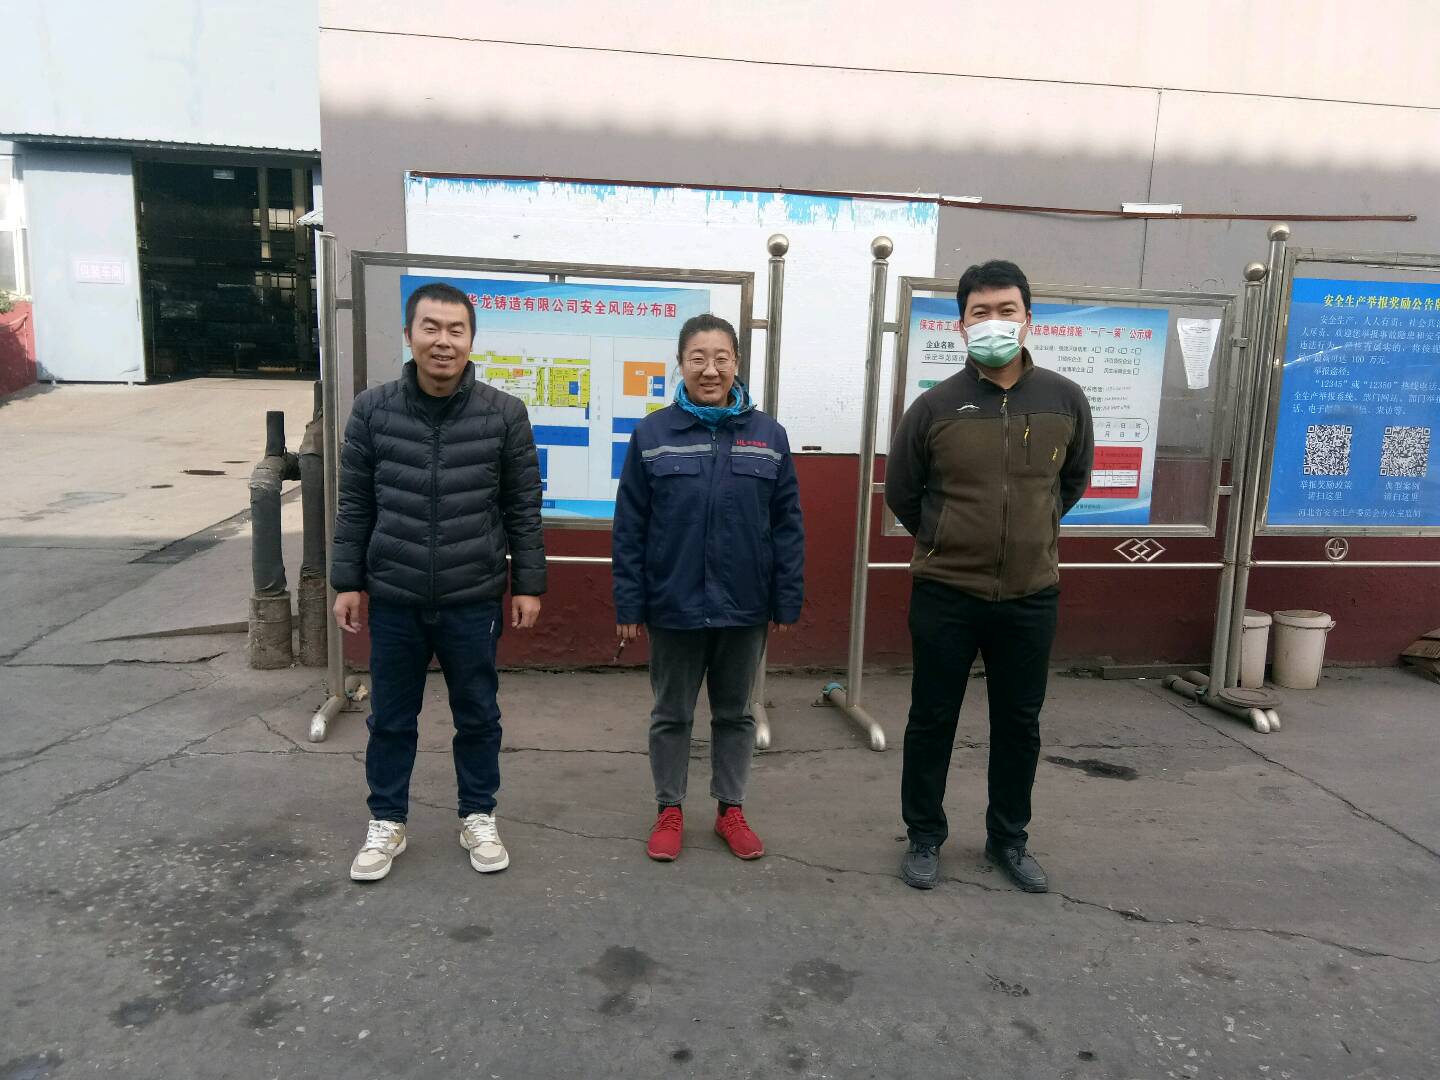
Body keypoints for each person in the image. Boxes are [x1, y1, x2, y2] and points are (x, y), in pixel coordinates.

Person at [885, 260, 1093, 893]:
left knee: (1019, 724)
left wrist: (1032, 533)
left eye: (1007, 310)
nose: (994, 323)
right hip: (946, 593)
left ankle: (1009, 838)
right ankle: (924, 835)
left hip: (1031, 595)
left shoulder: (1064, 400)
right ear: (961, 324)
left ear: (1028, 319)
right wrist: (949, 540)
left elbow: (1071, 483)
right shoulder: (934, 407)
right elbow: (903, 493)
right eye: (981, 312)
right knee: (932, 719)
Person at [332, 281, 546, 882]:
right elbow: (355, 504)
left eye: (456, 330)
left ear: (472, 340)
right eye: (431, 328)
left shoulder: (504, 414)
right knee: (390, 719)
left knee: (477, 714)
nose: (443, 341)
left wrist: (528, 583)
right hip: (395, 595)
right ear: (409, 335)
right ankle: (387, 820)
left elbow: (522, 506)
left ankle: (478, 814)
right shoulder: (372, 410)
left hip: (472, 596)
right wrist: (347, 580)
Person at [612, 313, 805, 863]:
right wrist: (629, 603)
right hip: (673, 604)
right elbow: (630, 527)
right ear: (681, 363)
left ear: (737, 363)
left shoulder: (768, 436)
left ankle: (730, 809)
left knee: (736, 714)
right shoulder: (653, 434)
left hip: (744, 605)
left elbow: (787, 524)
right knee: (671, 714)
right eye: (698, 358)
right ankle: (669, 808)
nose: (710, 369)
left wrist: (786, 597)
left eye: (721, 358)